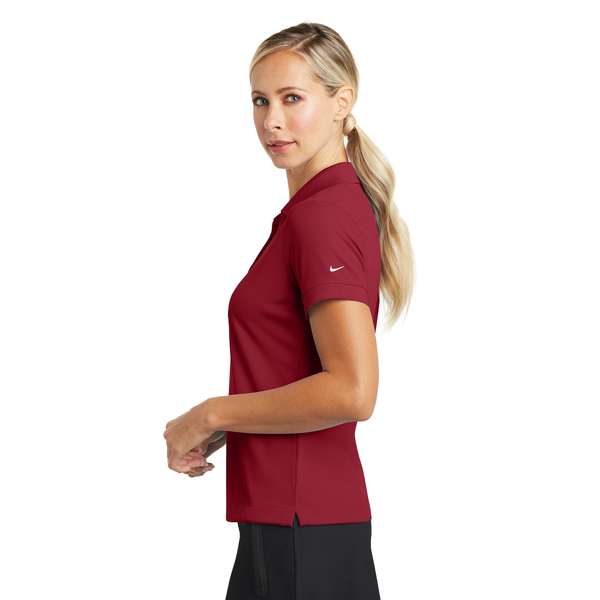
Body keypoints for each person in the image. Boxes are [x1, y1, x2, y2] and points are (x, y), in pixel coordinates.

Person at [164, 21, 414, 599]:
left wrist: (210, 413)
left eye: (292, 98)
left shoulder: (323, 215)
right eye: (260, 100)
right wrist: (228, 425)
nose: (272, 120)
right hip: (288, 519)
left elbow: (352, 391)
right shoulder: (317, 209)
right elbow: (296, 369)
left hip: (304, 527)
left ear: (341, 102)